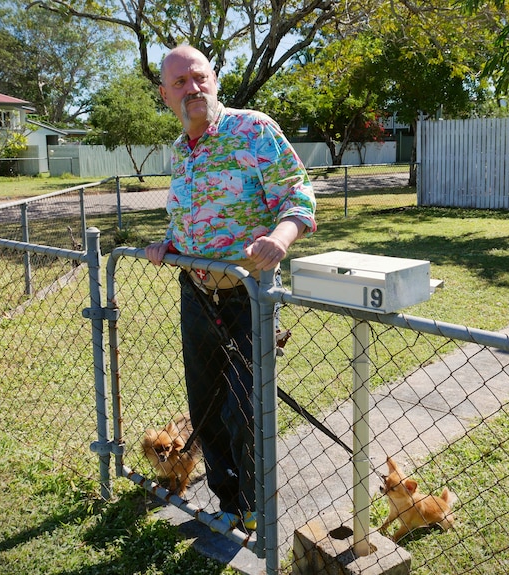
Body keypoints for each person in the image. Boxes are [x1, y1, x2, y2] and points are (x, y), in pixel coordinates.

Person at [144, 45, 316, 533]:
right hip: (197, 293)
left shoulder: (254, 129)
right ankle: (230, 505)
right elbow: (190, 220)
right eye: (179, 83)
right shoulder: (180, 150)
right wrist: (168, 245)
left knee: (246, 406)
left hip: (249, 295)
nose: (192, 89)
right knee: (205, 406)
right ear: (165, 95)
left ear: (214, 80)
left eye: (199, 78)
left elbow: (298, 194)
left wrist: (280, 238)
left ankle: (258, 504)